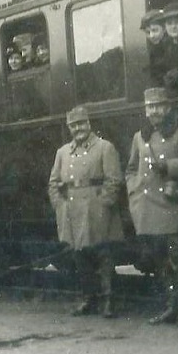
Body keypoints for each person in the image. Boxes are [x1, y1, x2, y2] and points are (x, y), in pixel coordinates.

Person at [126, 87, 178, 328]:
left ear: (168, 108)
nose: (154, 111)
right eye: (149, 107)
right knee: (160, 261)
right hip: (148, 208)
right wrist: (134, 190)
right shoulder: (141, 136)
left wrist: (168, 166)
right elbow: (131, 168)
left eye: (158, 106)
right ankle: (171, 306)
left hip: (173, 204)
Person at [48, 106, 124, 318]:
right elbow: (53, 183)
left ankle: (108, 300)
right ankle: (87, 298)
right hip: (72, 211)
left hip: (96, 209)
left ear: (89, 124)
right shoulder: (62, 152)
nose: (77, 129)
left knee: (104, 256)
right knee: (80, 257)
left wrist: (103, 205)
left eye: (81, 124)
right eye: (73, 125)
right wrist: (60, 206)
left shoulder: (104, 147)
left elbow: (114, 180)